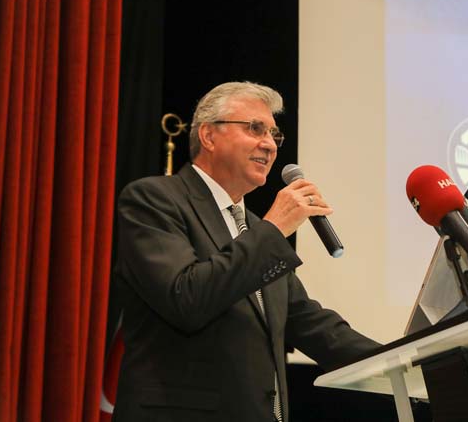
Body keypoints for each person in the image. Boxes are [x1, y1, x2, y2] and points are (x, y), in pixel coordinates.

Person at [112, 81, 380, 422]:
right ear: (209, 136)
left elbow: (309, 323)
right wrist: (274, 229)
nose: (269, 144)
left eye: (274, 134)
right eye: (255, 128)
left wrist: (408, 361)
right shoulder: (153, 200)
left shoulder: (255, 228)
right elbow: (186, 298)